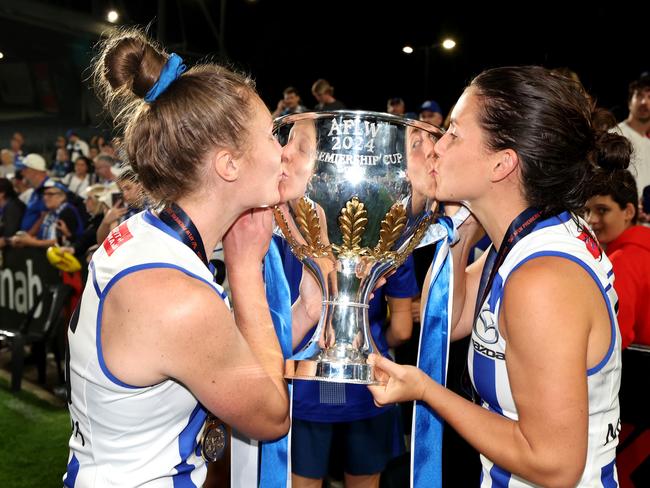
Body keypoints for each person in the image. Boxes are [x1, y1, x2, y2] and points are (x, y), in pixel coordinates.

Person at [369, 66, 628, 487]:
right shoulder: (525, 236)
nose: (437, 146)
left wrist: (426, 391)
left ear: (502, 164)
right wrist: (464, 228)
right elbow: (451, 321)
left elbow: (553, 464)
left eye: (453, 132)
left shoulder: (542, 279)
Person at [64, 28, 291, 486]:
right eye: (272, 136)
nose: (283, 152)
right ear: (228, 165)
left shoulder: (144, 234)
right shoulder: (175, 298)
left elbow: (224, 353)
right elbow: (271, 417)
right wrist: (246, 270)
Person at [585, 169, 650, 349]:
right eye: (587, 211)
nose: (591, 220)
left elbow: (616, 338)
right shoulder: (642, 249)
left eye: (602, 210)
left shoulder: (622, 261)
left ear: (628, 211)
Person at [616, 75, 650, 195]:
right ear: (630, 102)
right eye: (639, 95)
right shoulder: (615, 135)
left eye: (649, 97)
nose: (644, 102)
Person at [0, 177, 26, 249]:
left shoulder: (13, 207)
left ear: (2, 193)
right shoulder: (5, 206)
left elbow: (10, 233)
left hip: (16, 250)